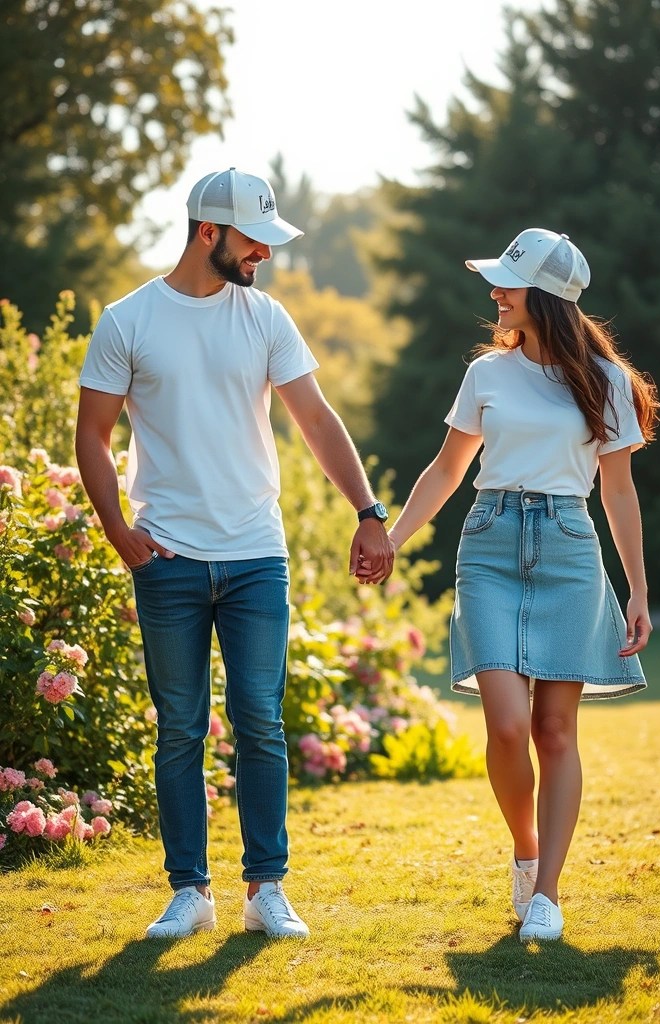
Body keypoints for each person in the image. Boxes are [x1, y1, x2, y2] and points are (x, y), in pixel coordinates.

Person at [75, 166, 394, 940]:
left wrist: (369, 511)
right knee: (179, 726)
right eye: (255, 241)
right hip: (170, 560)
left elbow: (317, 420)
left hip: (256, 556)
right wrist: (121, 534)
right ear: (208, 232)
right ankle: (191, 891)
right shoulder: (128, 321)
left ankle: (265, 890)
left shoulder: (265, 318)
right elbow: (93, 434)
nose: (267, 257)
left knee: (260, 723)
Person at [377, 227, 660, 941]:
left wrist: (638, 590)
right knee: (506, 726)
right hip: (490, 544)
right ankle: (526, 850)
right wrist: (391, 538)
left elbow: (619, 493)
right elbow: (446, 471)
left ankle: (549, 896)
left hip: (568, 548)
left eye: (507, 282)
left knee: (555, 730)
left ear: (546, 296)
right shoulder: (485, 375)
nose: (495, 292)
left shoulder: (608, 382)